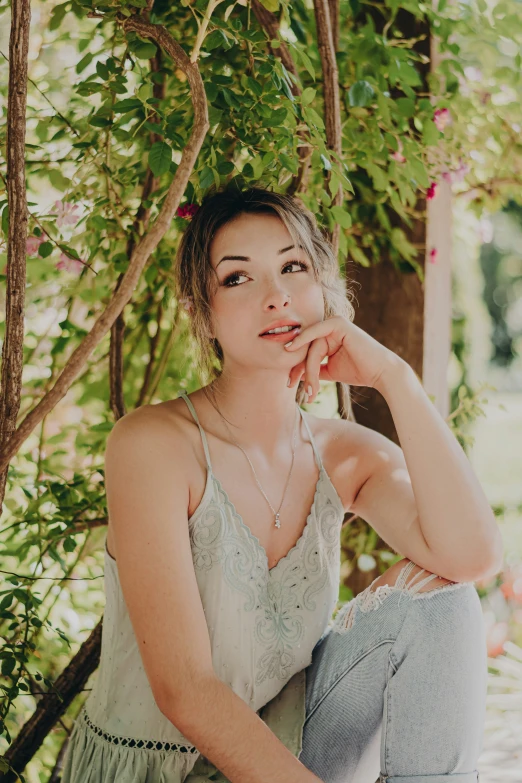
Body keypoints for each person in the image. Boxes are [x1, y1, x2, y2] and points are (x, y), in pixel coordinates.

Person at [61, 185, 502, 783]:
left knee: (442, 597)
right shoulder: (153, 448)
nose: (276, 297)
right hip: (159, 770)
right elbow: (185, 691)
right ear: (202, 312)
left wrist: (394, 378)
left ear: (323, 291)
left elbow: (470, 557)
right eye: (238, 278)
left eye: (293, 267)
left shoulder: (345, 455)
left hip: (293, 754)